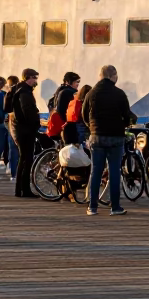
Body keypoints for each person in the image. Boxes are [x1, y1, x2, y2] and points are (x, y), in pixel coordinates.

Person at [82, 65, 133, 216]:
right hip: (116, 137)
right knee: (114, 172)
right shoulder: (119, 94)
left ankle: (92, 207)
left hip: (96, 136)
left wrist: (93, 128)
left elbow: (84, 115)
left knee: (96, 171)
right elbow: (127, 114)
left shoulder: (91, 93)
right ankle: (115, 207)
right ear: (113, 76)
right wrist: (123, 125)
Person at [6, 68, 41, 198]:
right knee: (27, 158)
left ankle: (19, 189)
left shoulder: (18, 89)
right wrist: (36, 122)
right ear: (28, 78)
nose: (36, 81)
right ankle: (24, 189)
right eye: (35, 78)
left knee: (23, 158)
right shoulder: (24, 92)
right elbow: (27, 110)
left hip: (20, 128)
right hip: (25, 129)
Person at [50, 72, 81, 144]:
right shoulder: (69, 93)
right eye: (77, 82)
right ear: (69, 82)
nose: (78, 84)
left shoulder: (59, 91)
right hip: (67, 123)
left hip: (60, 124)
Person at [68, 84, 92, 151]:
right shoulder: (84, 103)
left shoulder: (75, 101)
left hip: (73, 125)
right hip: (81, 124)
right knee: (83, 145)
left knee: (78, 146)